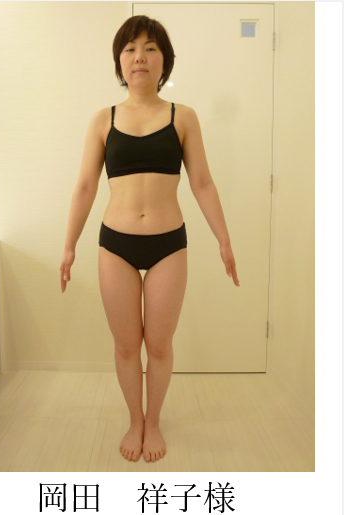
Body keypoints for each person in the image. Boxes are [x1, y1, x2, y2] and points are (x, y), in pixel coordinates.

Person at [60, 15, 239, 464]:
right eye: (130, 48)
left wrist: (224, 240)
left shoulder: (183, 117)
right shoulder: (103, 120)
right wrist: (69, 246)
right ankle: (134, 420)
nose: (139, 56)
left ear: (165, 61)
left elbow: (202, 182)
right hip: (115, 246)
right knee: (126, 346)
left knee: (158, 345)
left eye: (150, 48)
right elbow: (85, 186)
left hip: (168, 246)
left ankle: (153, 420)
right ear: (120, 61)